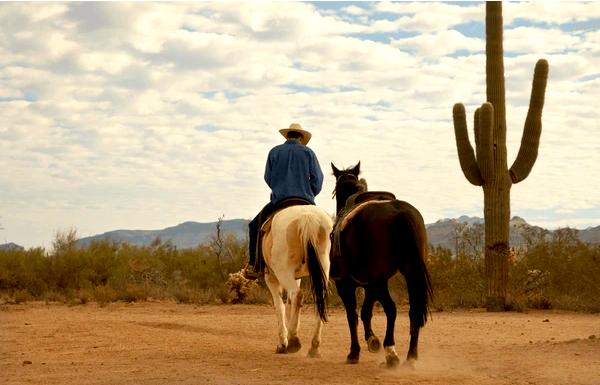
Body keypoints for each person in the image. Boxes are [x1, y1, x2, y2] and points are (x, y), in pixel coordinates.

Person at [244, 123, 324, 279]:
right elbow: (318, 180)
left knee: (254, 226)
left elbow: (268, 178)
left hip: (280, 201)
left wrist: (279, 188)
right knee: (329, 229)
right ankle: (332, 263)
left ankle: (256, 265)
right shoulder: (309, 153)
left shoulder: (274, 152)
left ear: (287, 136)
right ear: (301, 137)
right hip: (305, 200)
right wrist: (309, 193)